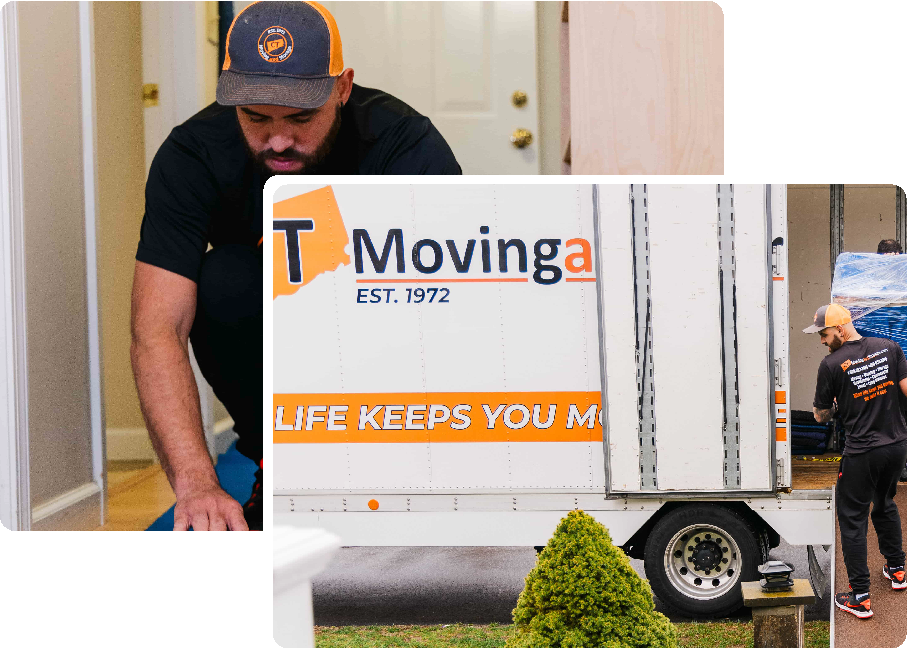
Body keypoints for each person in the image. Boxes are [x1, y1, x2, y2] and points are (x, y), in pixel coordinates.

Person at [131, 0, 461, 532]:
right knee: (226, 278)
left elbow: (454, 303)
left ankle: (399, 467)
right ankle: (276, 464)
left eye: (301, 118)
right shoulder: (192, 154)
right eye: (255, 117)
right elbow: (157, 329)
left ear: (343, 87)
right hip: (267, 341)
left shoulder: (402, 143)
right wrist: (196, 483)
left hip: (384, 329)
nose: (278, 139)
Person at [805, 303, 907, 618]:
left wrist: (834, 405)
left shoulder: (830, 365)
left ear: (840, 327)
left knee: (852, 520)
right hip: (896, 446)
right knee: (885, 501)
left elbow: (820, 416)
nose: (822, 341)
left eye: (824, 333)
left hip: (862, 452)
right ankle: (898, 569)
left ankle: (860, 596)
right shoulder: (889, 348)